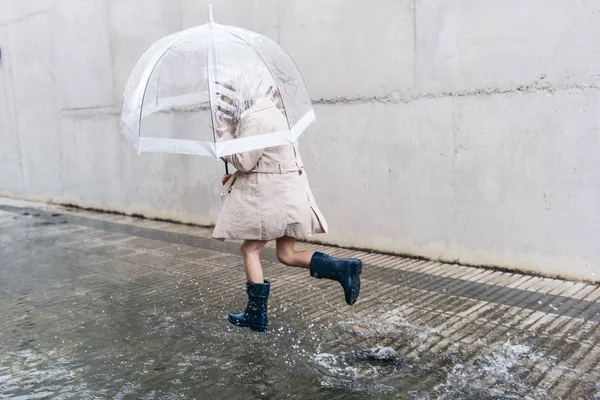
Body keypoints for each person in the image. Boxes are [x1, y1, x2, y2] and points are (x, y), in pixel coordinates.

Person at [212, 75, 362, 333]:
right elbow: (267, 159)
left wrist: (223, 132)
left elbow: (246, 160)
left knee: (250, 250)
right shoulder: (272, 112)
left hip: (274, 199)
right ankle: (342, 268)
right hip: (288, 193)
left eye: (230, 98)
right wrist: (235, 175)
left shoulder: (256, 116)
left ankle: (256, 314)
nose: (229, 103)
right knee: (286, 254)